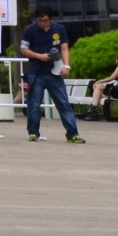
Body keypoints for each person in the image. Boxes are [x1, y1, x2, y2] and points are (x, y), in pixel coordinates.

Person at [19, 9, 83, 143]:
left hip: (55, 72)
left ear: (50, 19)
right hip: (35, 72)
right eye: (40, 20)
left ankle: (72, 134)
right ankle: (33, 132)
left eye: (45, 20)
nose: (42, 23)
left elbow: (64, 48)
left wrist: (67, 65)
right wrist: (39, 56)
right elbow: (23, 49)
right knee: (34, 104)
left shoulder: (59, 29)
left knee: (63, 103)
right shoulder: (29, 30)